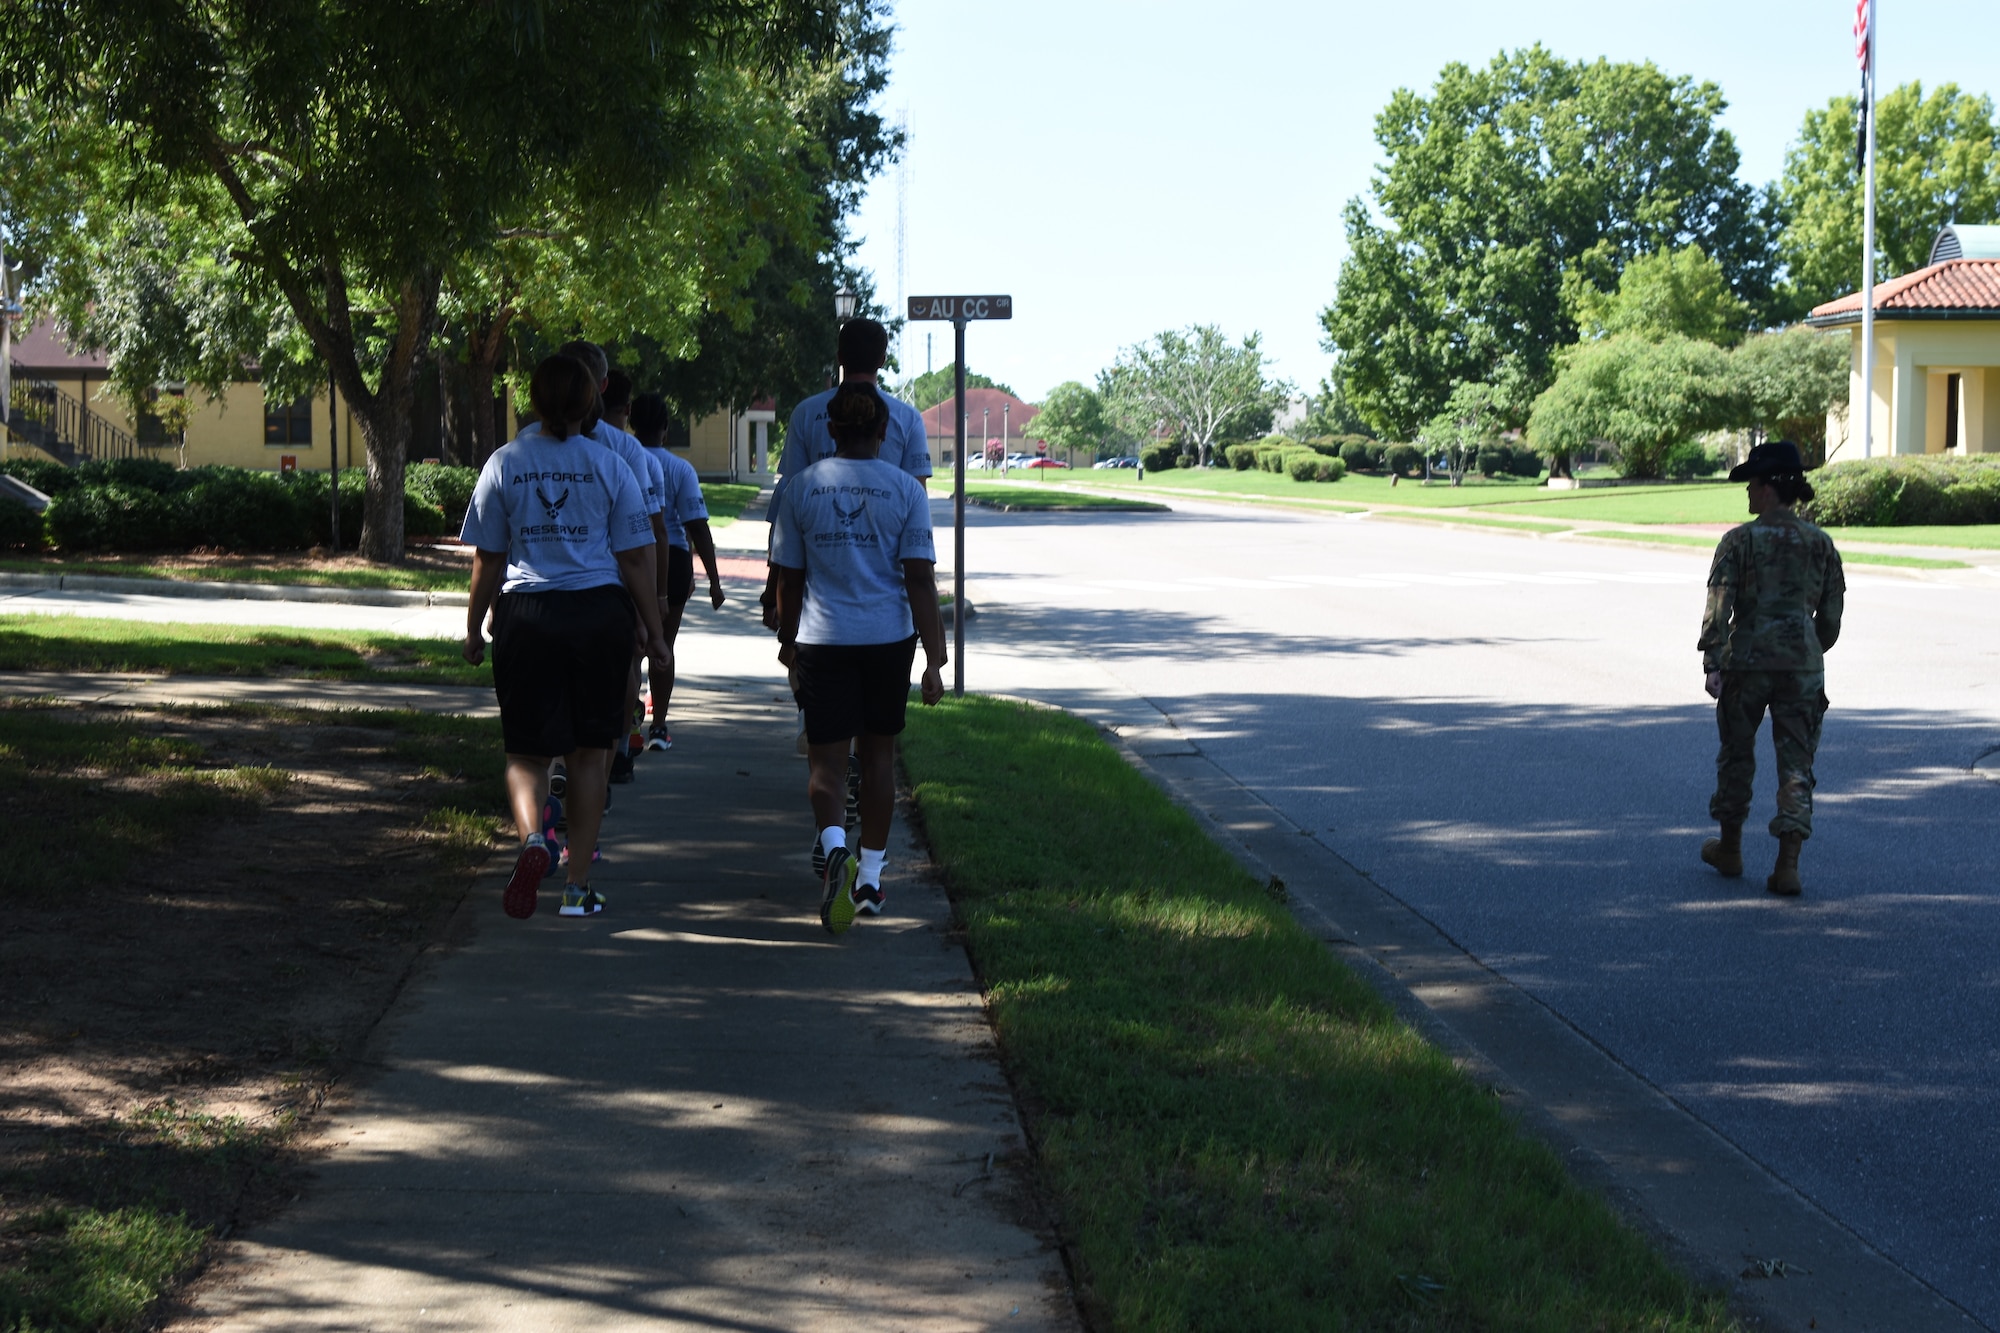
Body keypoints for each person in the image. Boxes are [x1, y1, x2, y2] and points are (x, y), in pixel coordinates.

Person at [461, 354, 672, 920]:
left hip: (526, 614)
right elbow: (633, 554)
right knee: (587, 755)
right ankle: (577, 887)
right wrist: (653, 631)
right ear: (591, 403)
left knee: (526, 752)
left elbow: (489, 555)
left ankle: (534, 838)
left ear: (533, 401)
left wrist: (474, 625)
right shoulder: (610, 465)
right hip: (598, 614)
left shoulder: (505, 463)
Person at [770, 381, 947, 934]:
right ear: (882, 431)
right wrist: (936, 660)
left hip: (824, 639)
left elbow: (790, 579)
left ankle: (832, 846)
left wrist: (788, 640)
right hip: (887, 641)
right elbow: (919, 578)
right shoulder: (905, 491)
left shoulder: (802, 488)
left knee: (825, 764)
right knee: (878, 760)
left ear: (830, 429)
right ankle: (869, 877)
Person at [1697, 439, 1845, 897]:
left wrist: (1713, 660)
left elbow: (1719, 606)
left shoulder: (1739, 541)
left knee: (1737, 754)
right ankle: (1787, 866)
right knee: (1797, 764)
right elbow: (1832, 618)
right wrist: (1803, 649)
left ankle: (1731, 848)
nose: (1747, 493)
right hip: (1802, 666)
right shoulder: (1820, 543)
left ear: (1768, 489)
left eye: (1752, 484)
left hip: (1746, 665)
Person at [762, 318, 932, 632]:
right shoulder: (907, 418)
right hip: (886, 589)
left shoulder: (806, 413)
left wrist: (774, 586)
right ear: (883, 360)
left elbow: (788, 495)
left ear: (840, 356)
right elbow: (918, 505)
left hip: (817, 591)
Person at [558, 341, 667, 784]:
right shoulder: (623, 451)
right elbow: (639, 539)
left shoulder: (518, 451)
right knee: (616, 679)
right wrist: (651, 609)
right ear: (601, 385)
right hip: (607, 592)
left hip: (535, 594)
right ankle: (611, 760)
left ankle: (559, 773)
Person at [629, 392, 724, 750]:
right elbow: (698, 527)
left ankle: (629, 724)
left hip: (631, 556)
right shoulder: (680, 469)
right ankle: (660, 726)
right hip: (673, 562)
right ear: (666, 430)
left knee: (631, 649)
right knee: (663, 646)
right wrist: (714, 581)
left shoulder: (622, 459)